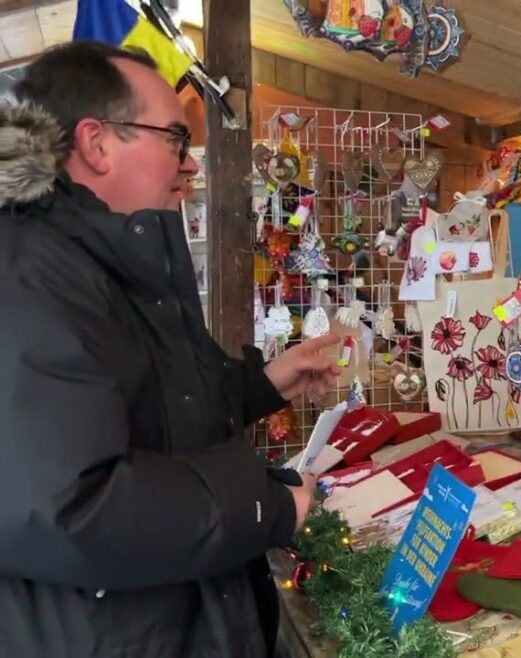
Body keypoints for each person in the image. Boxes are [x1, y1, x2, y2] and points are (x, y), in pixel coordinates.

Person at [0, 42, 342, 657]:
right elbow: (71, 506)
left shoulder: (110, 258)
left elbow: (153, 406)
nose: (188, 166)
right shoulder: (26, 279)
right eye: (175, 140)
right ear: (97, 143)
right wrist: (264, 509)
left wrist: (263, 383)